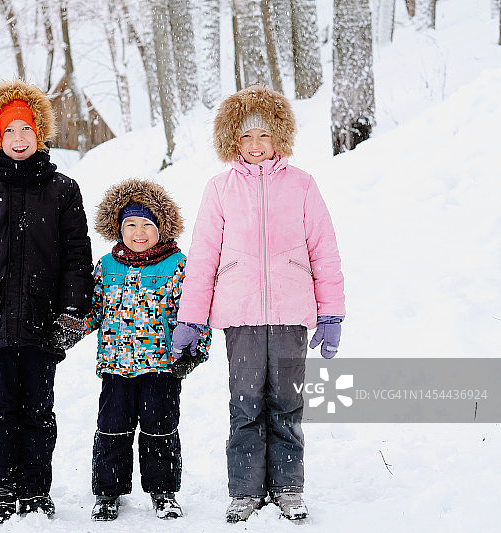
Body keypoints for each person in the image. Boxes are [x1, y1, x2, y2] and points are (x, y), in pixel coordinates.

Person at [173, 85, 346, 523]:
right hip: (241, 315)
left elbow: (324, 250)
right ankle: (246, 489)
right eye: (246, 136)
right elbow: (204, 255)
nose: (255, 145)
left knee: (287, 403)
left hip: (291, 313)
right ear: (232, 139)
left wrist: (330, 312)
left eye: (264, 135)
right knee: (246, 403)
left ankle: (288, 486)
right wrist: (191, 317)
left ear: (279, 136)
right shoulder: (220, 189)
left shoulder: (302, 185)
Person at [0, 79, 94, 524]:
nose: (19, 138)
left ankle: (35, 489)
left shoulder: (63, 190)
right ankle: (2, 487)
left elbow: (76, 256)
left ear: (40, 133)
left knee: (39, 408)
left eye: (27, 129)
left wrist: (72, 312)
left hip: (45, 319)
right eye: (10, 130)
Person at [83, 179, 211, 522]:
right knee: (112, 428)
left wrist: (194, 352)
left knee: (160, 428)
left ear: (161, 228)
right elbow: (94, 309)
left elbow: (195, 312)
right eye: (131, 225)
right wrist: (71, 327)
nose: (139, 233)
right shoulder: (107, 266)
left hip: (162, 366)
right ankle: (108, 492)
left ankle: (163, 491)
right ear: (118, 228)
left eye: (146, 225)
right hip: (115, 365)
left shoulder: (177, 264)